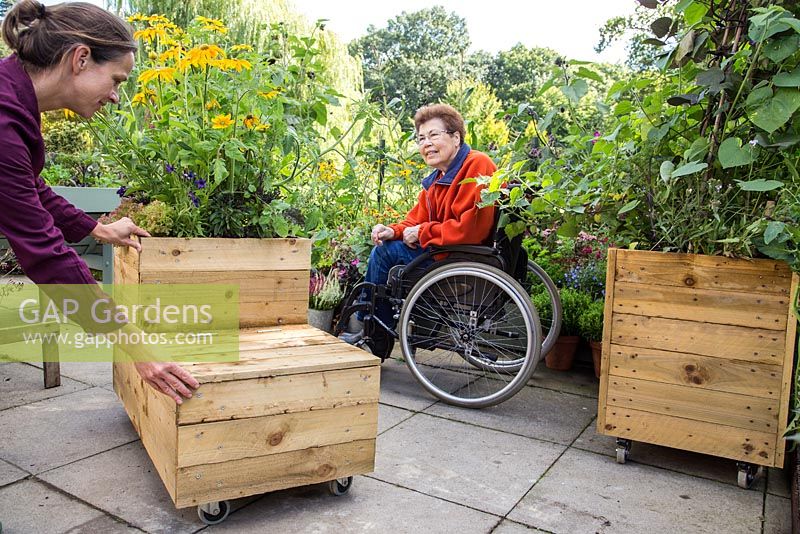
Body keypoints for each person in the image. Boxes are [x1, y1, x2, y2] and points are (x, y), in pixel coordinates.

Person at [0, 0, 198, 403]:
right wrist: (139, 351)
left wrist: (98, 228)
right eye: (117, 80)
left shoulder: (13, 101)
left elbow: (28, 188)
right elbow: (47, 257)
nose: (115, 97)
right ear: (81, 58)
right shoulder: (3, 120)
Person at [342, 103, 497, 358]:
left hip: (459, 261)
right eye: (421, 138)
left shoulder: (477, 165)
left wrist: (423, 232)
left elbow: (469, 230)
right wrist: (392, 231)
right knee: (387, 245)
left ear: (455, 137)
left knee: (384, 255)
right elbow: (414, 221)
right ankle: (370, 328)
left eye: (434, 135)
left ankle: (373, 334)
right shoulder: (438, 179)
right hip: (447, 255)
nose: (427, 144)